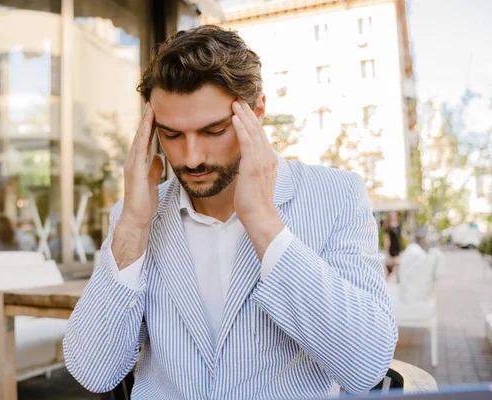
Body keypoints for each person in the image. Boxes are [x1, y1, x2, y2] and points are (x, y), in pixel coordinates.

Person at [64, 25, 397, 399]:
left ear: (257, 112)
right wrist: (132, 228)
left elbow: (367, 365)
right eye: (172, 135)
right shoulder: (136, 216)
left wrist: (265, 226)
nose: (191, 158)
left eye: (214, 130)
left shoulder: (336, 196)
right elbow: (94, 371)